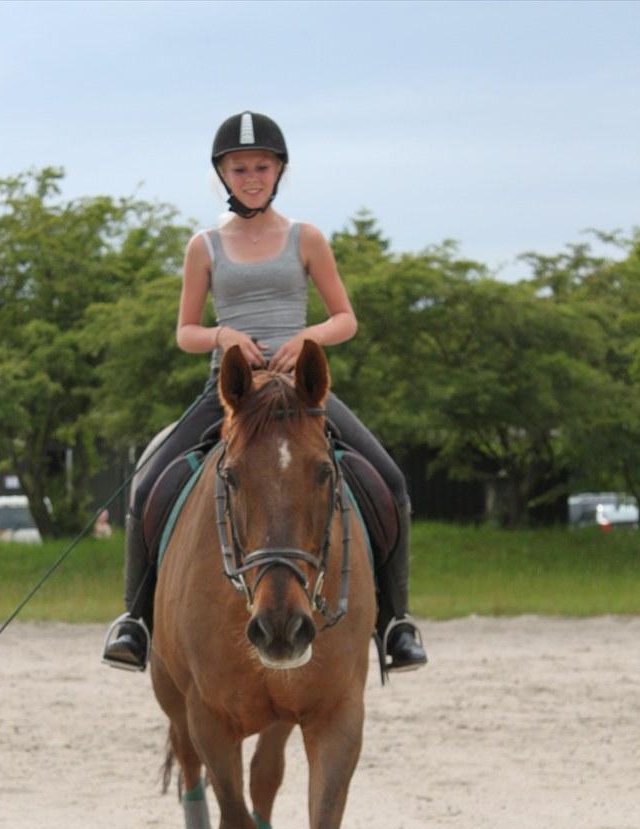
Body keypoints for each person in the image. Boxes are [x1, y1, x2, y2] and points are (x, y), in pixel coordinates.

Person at [102, 111, 427, 674]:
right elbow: (186, 332)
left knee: (390, 480)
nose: (250, 176)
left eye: (261, 166)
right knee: (149, 485)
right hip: (231, 391)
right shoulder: (204, 246)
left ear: (279, 171)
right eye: (239, 167)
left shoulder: (306, 238)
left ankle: (396, 623)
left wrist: (307, 337)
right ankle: (135, 621)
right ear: (222, 175)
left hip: (300, 393)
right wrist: (223, 334)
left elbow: (345, 318)